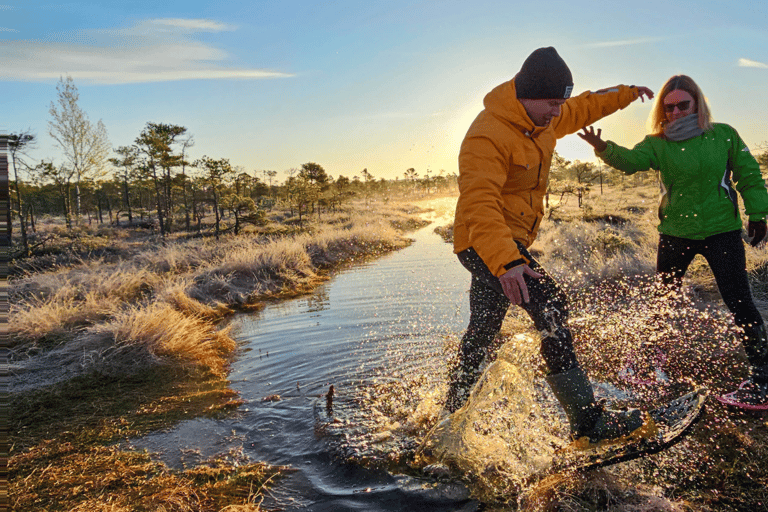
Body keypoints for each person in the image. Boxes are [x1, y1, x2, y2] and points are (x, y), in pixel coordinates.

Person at [448, 46, 658, 445]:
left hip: (507, 246)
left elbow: (584, 106)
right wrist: (507, 262)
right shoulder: (486, 133)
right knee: (551, 304)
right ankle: (587, 424)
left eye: (559, 102)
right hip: (484, 243)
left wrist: (629, 92)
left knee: (482, 332)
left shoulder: (543, 120)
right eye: (550, 103)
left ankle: (448, 418)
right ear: (525, 94)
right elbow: (479, 203)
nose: (558, 112)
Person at [578, 74, 768, 408]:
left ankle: (763, 380)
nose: (676, 112)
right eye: (669, 107)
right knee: (662, 300)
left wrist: (759, 213)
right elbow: (633, 162)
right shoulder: (657, 142)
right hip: (675, 235)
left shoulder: (723, 135)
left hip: (722, 232)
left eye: (683, 104)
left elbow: (748, 173)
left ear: (697, 104)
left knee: (741, 305)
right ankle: (650, 362)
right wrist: (603, 148)